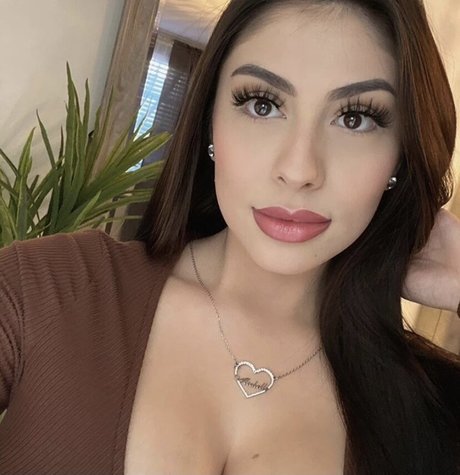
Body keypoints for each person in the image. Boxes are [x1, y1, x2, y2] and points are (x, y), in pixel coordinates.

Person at [0, 0, 459, 474]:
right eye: (263, 105)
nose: (298, 170)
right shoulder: (51, 291)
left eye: (354, 118)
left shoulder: (433, 409)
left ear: (401, 155)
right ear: (210, 121)